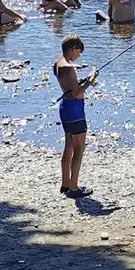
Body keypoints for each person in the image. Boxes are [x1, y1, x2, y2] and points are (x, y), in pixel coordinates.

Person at [52, 35, 98, 197]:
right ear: (73, 49)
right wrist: (91, 79)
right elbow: (77, 93)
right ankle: (74, 188)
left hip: (65, 107)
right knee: (79, 149)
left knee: (68, 146)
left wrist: (80, 82)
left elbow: (69, 88)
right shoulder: (69, 68)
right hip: (75, 110)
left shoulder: (57, 63)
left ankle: (65, 184)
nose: (78, 56)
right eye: (78, 53)